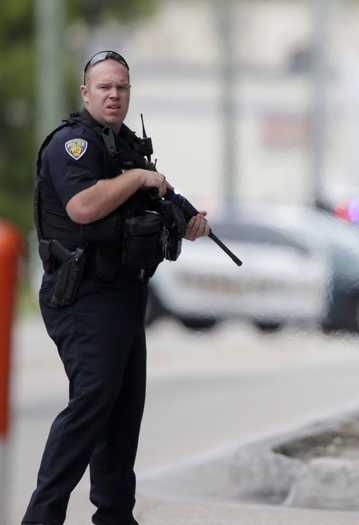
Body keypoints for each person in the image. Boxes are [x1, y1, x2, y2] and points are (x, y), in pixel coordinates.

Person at [23, 51, 210, 525]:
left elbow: (154, 197)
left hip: (125, 293)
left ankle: (114, 517)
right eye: (104, 87)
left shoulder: (124, 144)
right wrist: (138, 178)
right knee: (91, 404)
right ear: (86, 92)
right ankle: (41, 517)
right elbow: (83, 207)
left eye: (122, 88)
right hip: (82, 293)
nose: (114, 95)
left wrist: (185, 218)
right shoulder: (72, 146)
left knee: (123, 415)